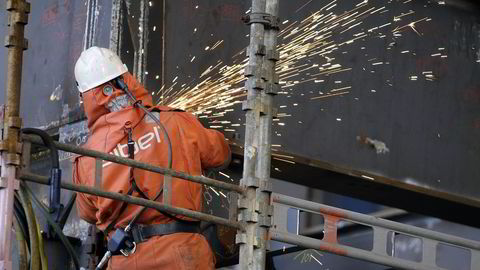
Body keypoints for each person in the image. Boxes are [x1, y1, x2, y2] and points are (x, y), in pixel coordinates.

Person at [72, 46, 230, 269]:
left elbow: (88, 214)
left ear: (86, 97)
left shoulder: (86, 158)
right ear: (126, 80)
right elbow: (220, 154)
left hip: (126, 261)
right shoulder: (173, 122)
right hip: (182, 255)